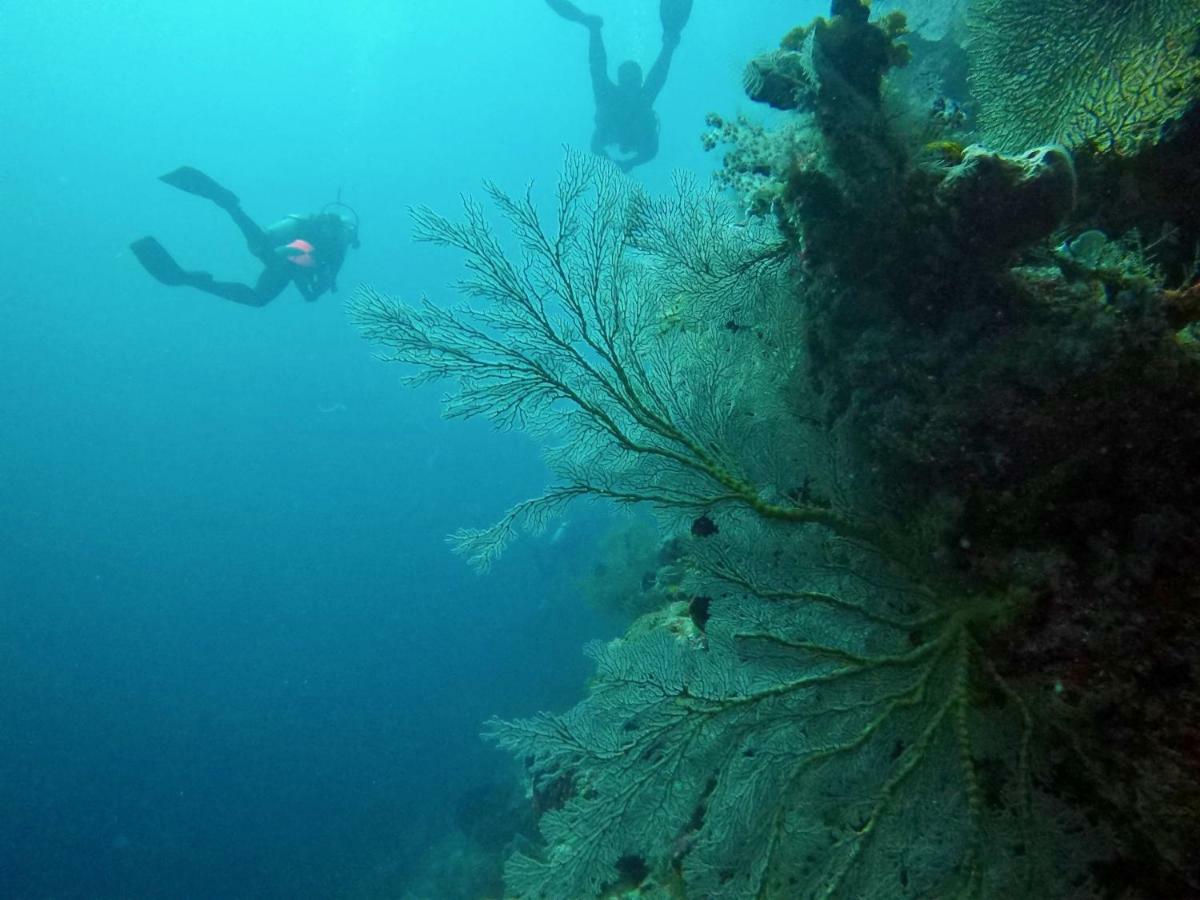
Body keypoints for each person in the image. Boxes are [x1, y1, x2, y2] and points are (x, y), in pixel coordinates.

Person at [130, 166, 359, 307]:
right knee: (258, 298)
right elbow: (313, 292)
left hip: (275, 250)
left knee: (261, 243)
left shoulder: (316, 227)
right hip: (282, 261)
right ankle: (190, 279)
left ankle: (230, 206)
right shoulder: (338, 250)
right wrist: (311, 284)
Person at [546, 0, 692, 172]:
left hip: (613, 106)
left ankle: (593, 29)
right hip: (620, 107)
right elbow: (658, 76)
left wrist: (626, 163)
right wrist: (628, 163)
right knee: (600, 75)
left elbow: (597, 146)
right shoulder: (641, 103)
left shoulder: (623, 103)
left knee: (599, 75)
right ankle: (594, 29)